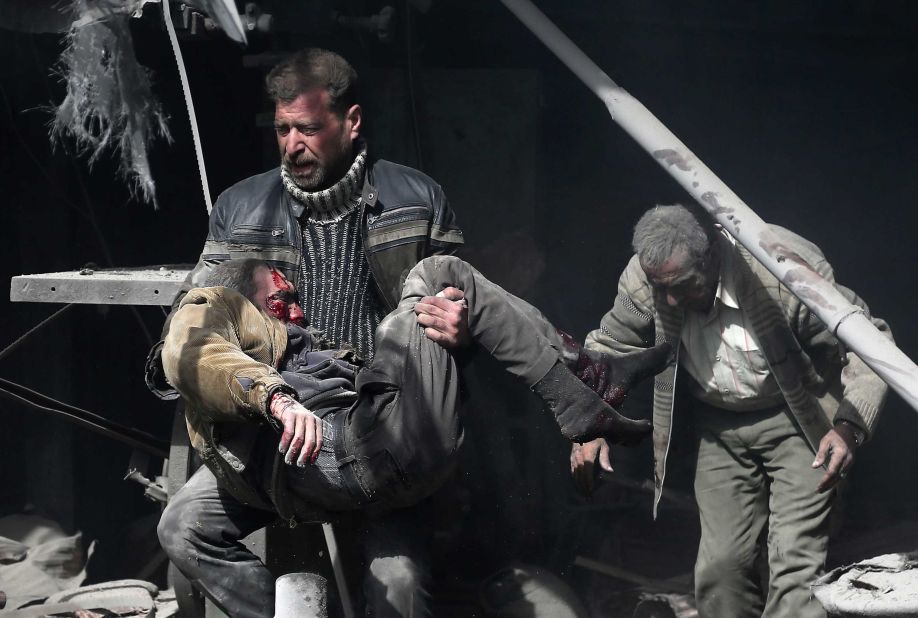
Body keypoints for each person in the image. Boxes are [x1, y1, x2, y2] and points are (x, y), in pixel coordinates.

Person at [157, 256, 671, 618]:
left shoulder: (298, 352)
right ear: (242, 299)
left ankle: (585, 383)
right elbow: (189, 349)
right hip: (367, 448)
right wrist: (277, 399)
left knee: (398, 586)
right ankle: (586, 381)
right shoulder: (215, 307)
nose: (296, 310)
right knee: (438, 274)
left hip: (374, 467)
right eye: (280, 299)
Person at [143, 48, 468, 616]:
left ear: (352, 121)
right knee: (183, 527)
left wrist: (460, 325)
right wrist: (257, 392)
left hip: (380, 427)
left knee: (400, 589)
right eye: (283, 129)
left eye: (309, 129)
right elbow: (200, 316)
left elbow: (464, 310)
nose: (294, 145)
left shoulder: (419, 199)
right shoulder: (240, 207)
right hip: (280, 431)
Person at [570, 203, 891, 618]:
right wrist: (591, 424)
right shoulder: (644, 282)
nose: (669, 299)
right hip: (719, 429)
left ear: (711, 258)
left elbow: (868, 339)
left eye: (682, 285)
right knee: (720, 571)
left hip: (800, 421)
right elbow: (610, 348)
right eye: (660, 287)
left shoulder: (780, 271)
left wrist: (849, 424)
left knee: (794, 571)